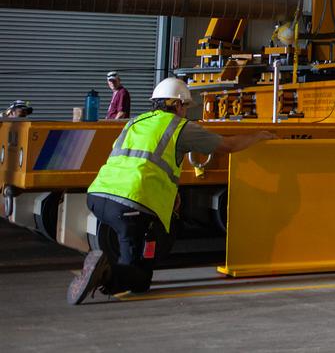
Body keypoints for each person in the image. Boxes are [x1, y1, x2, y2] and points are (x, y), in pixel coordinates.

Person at [67, 78, 275, 305]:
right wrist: (259, 136)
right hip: (131, 204)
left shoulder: (135, 122)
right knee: (139, 279)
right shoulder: (179, 127)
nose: (185, 111)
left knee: (141, 250)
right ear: (176, 104)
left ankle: (106, 268)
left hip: (98, 196)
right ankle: (105, 274)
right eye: (185, 106)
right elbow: (228, 146)